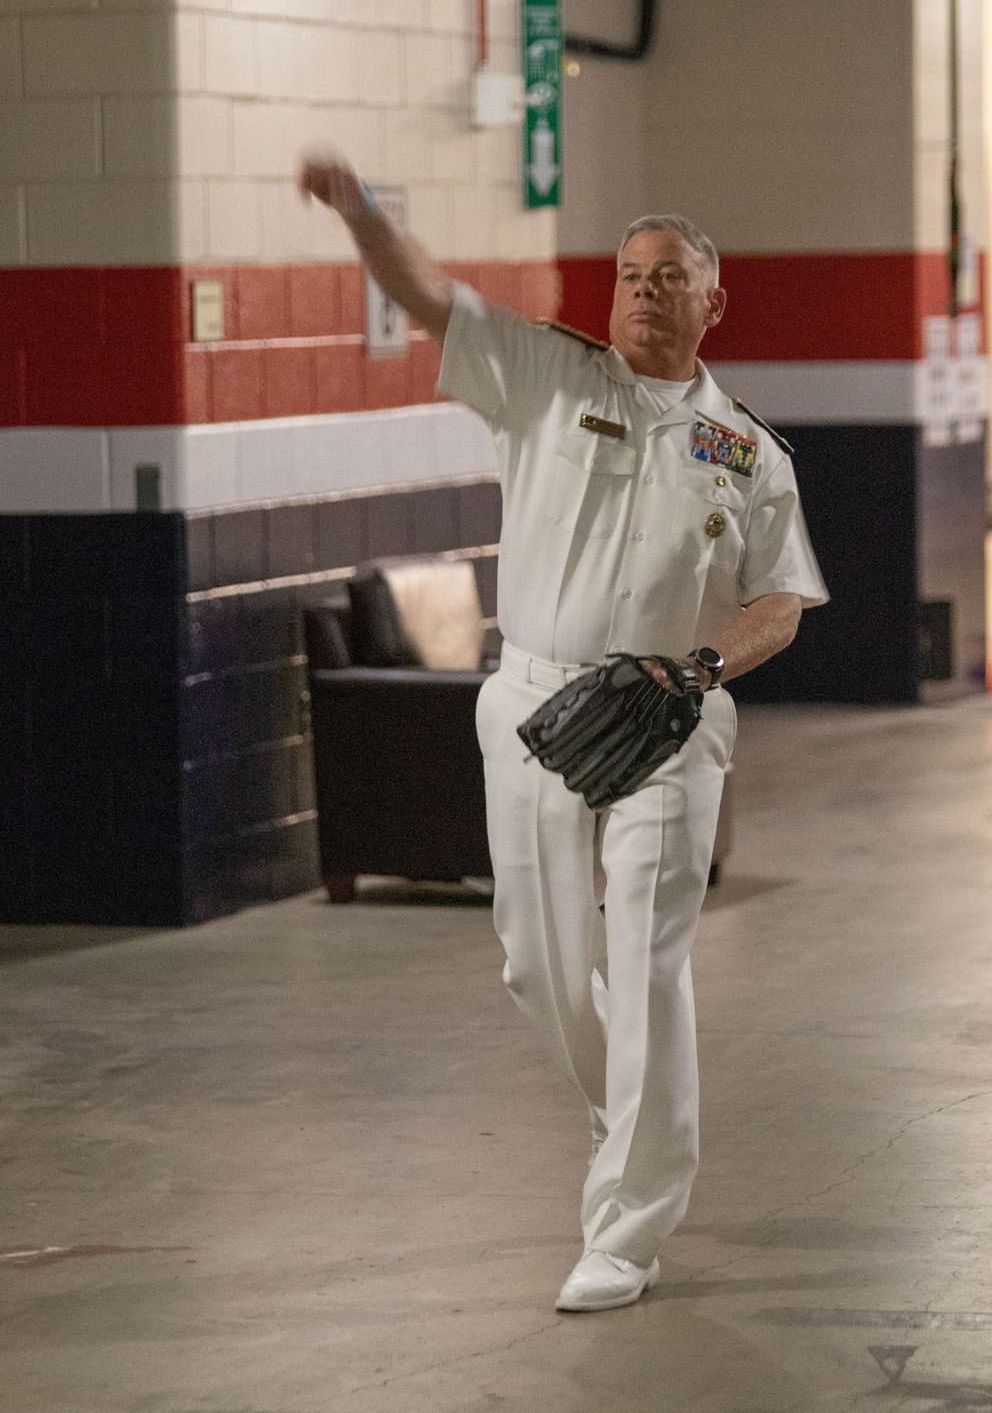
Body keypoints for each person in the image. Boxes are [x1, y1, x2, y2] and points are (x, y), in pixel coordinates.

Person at [298, 152, 829, 1313]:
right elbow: (432, 293)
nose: (642, 291)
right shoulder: (540, 372)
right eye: (629, 274)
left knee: (643, 962)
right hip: (536, 700)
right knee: (537, 964)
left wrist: (697, 664)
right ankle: (622, 1102)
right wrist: (362, 214)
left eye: (667, 278)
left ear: (712, 303)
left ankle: (625, 1229)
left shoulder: (748, 450)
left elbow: (779, 603)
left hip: (671, 713)